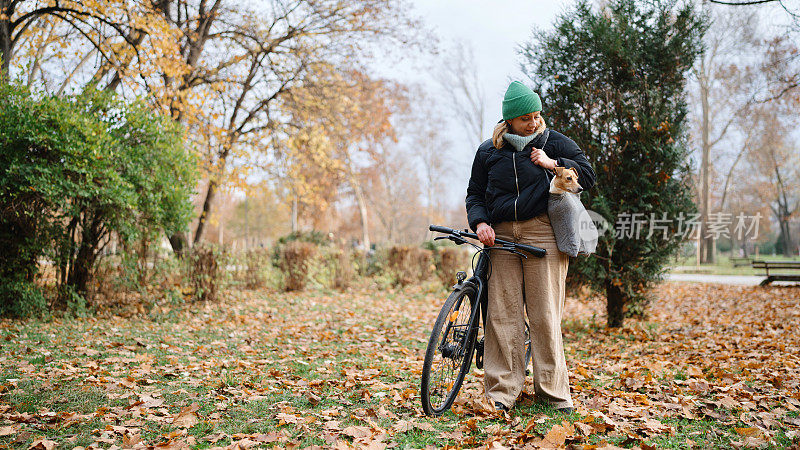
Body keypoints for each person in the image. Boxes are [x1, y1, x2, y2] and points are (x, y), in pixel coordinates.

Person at [465, 81, 595, 412]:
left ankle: (553, 394)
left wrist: (554, 164)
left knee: (544, 316)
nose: (533, 123)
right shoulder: (488, 152)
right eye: (525, 118)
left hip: (543, 234)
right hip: (502, 236)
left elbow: (589, 176)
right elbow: (475, 194)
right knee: (502, 316)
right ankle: (501, 393)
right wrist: (480, 223)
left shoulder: (554, 142)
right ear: (509, 120)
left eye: (537, 115)